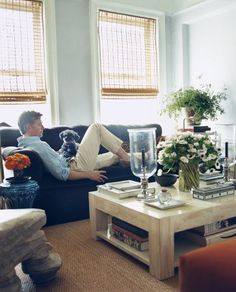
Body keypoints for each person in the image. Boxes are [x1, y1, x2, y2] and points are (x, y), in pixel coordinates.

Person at [17, 111, 130, 182]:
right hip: (77, 166)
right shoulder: (38, 146)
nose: (43, 126)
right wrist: (88, 175)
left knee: (114, 155)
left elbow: (54, 161)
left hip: (74, 162)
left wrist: (64, 150)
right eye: (39, 124)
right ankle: (126, 157)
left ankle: (134, 159)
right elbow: (62, 174)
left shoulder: (25, 145)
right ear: (28, 127)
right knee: (96, 127)